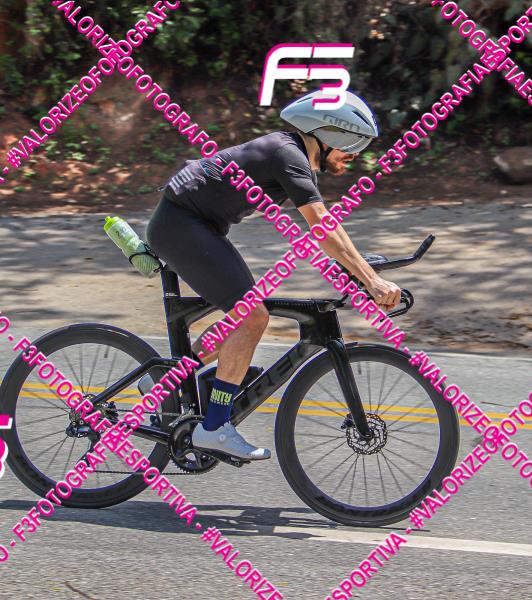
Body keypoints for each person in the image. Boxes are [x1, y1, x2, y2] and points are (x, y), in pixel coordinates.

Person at [146, 90, 402, 461]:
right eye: (353, 145)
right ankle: (213, 427)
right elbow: (322, 227)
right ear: (331, 133)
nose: (355, 155)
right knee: (252, 317)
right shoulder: (288, 154)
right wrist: (371, 280)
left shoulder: (288, 153)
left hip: (191, 225)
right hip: (182, 226)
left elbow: (323, 229)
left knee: (244, 317)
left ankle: (164, 383)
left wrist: (358, 269)